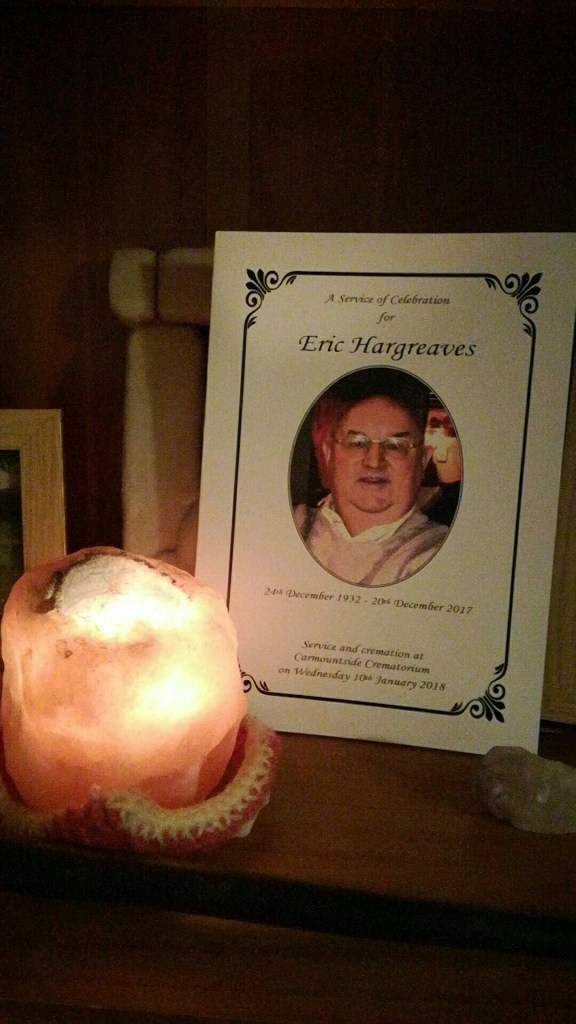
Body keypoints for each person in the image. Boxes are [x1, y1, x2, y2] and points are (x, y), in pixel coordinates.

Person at [293, 370, 449, 585]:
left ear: (423, 460)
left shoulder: (443, 552)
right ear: (329, 453)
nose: (374, 461)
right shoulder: (291, 527)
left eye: (396, 446)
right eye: (358, 442)